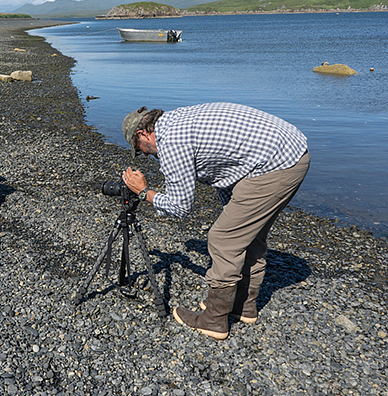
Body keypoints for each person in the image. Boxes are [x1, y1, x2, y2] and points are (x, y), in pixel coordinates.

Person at [120, 102, 309, 340]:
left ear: (143, 134)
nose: (145, 155)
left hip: (278, 164)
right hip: (287, 152)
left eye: (140, 149)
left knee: (223, 239)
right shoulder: (176, 121)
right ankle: (243, 307)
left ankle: (214, 320)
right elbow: (223, 171)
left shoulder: (172, 142)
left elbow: (180, 206)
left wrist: (143, 192)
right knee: (247, 234)